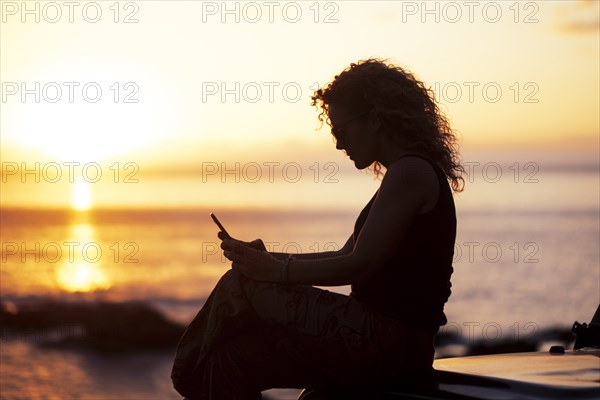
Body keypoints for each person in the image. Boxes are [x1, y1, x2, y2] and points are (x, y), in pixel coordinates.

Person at [171, 58, 465, 399]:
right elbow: (345, 254)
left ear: (374, 119)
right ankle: (196, 368)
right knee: (232, 359)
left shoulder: (410, 173)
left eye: (341, 131)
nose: (339, 144)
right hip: (377, 339)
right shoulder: (401, 175)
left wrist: (275, 271)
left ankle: (184, 366)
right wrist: (267, 258)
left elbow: (361, 264)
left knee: (241, 283)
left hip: (389, 341)